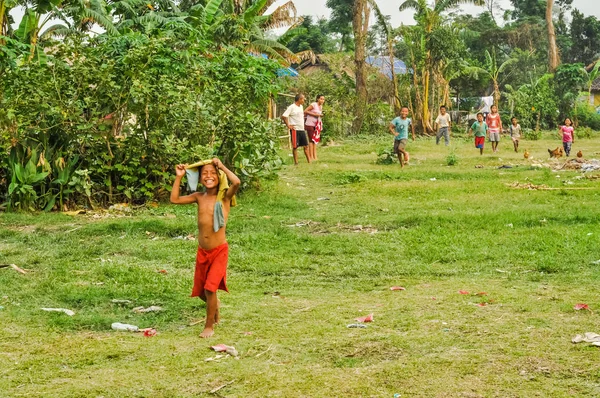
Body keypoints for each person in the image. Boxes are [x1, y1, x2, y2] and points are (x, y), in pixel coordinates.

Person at [170, 158, 240, 338]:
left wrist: (222, 166)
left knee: (210, 289)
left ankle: (209, 325)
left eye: (212, 173)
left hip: (219, 251)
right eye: (204, 174)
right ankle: (215, 305)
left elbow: (237, 182)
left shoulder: (224, 197)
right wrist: (179, 177)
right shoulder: (199, 197)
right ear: (200, 178)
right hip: (203, 251)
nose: (208, 176)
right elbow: (174, 199)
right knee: (202, 292)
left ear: (219, 176)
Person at [282, 94, 310, 165]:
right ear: (299, 99)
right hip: (295, 129)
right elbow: (284, 116)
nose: (304, 100)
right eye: (303, 99)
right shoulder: (292, 107)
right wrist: (288, 125)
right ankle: (296, 163)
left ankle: (309, 161)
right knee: (295, 146)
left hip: (301, 129)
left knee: (306, 145)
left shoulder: (301, 107)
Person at [304, 95, 325, 161]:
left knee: (315, 140)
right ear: (317, 99)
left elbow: (319, 115)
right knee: (311, 140)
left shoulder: (320, 106)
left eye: (323, 99)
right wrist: (315, 115)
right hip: (310, 124)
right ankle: (311, 156)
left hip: (316, 125)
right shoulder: (313, 104)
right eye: (321, 99)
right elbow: (305, 111)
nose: (322, 100)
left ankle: (315, 156)